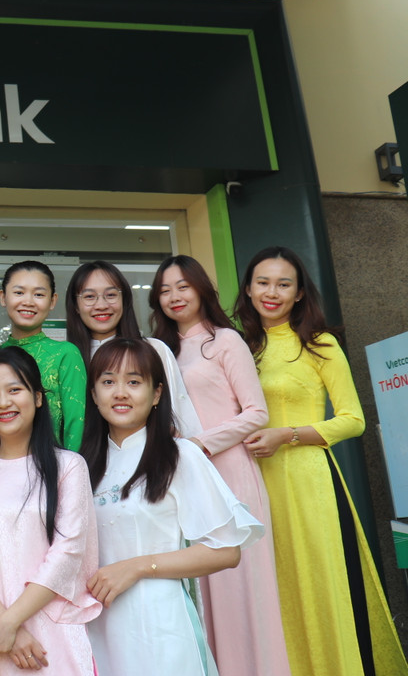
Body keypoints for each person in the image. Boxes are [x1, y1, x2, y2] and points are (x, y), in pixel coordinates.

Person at [234, 246, 408, 676]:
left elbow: (353, 420)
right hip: (250, 482)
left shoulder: (319, 344)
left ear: (299, 293)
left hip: (307, 481)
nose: (272, 292)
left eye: (283, 284)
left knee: (318, 584)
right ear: (248, 289)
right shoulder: (237, 347)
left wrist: (287, 435)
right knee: (271, 589)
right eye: (263, 282)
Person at [81, 338, 261, 676]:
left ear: (157, 394)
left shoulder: (179, 456)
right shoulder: (81, 466)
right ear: (93, 394)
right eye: (108, 382)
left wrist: (137, 567)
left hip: (161, 625)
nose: (120, 393)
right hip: (98, 628)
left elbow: (226, 551)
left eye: (134, 382)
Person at [149, 254, 290, 676]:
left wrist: (199, 444)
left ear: (201, 289)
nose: (174, 296)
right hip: (184, 481)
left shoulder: (225, 340)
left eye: (183, 286)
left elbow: (256, 412)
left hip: (230, 475)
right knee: (203, 589)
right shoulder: (160, 350)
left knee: (243, 588)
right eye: (165, 290)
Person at [0, 347, 100, 675]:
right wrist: (3, 625)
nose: (3, 402)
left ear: (38, 397)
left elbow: (68, 554)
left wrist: (9, 623)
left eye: (15, 390)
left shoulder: (68, 466)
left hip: (51, 637)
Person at [64, 261, 201, 438]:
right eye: (89, 296)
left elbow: (181, 416)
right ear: (75, 305)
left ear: (125, 300)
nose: (101, 305)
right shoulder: (67, 358)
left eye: (111, 295)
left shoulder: (154, 350)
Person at [0, 261, 87, 450]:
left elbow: (76, 425)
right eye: (19, 292)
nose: (28, 301)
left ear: (52, 301)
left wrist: (71, 466)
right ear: (3, 297)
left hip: (54, 463)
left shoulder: (65, 354)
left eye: (38, 294)